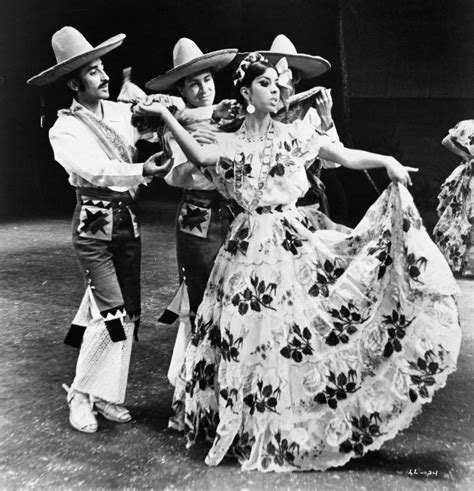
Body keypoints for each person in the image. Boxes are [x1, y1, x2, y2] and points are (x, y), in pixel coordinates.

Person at [135, 53, 461, 472]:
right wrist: (165, 114)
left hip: (287, 243)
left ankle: (289, 428)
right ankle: (248, 425)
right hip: (245, 248)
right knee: (246, 335)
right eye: (266, 84)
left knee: (291, 332)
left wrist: (386, 162)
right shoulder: (232, 141)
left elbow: (342, 156)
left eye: (277, 84)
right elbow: (198, 156)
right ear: (247, 93)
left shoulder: (293, 134)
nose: (276, 90)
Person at [27, 26, 171, 433]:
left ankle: (106, 394)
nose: (104, 77)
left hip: (128, 223)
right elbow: (94, 168)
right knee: (109, 312)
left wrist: (153, 105)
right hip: (93, 226)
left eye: (103, 67)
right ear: (74, 82)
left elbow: (162, 117)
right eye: (93, 72)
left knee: (126, 316)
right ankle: (79, 394)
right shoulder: (65, 128)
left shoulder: (120, 112)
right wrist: (141, 169)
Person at [145, 38, 240, 334]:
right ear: (182, 91)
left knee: (237, 289)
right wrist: (200, 155)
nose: (204, 89)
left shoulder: (232, 117)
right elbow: (174, 175)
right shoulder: (174, 126)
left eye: (208, 79)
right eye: (194, 84)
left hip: (235, 211)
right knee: (202, 286)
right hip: (199, 214)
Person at [433, 120, 474, 276]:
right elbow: (446, 140)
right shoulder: (468, 125)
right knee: (465, 217)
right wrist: (465, 155)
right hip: (470, 176)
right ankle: (467, 265)